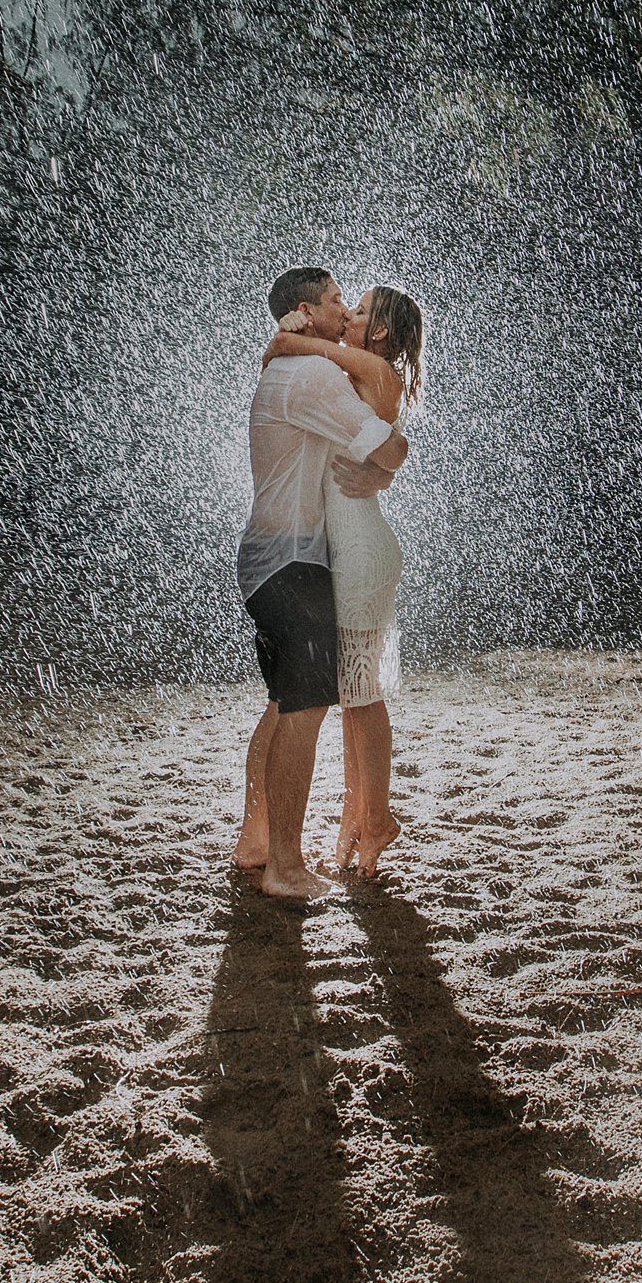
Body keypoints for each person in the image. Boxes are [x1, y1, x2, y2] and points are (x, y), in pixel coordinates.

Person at [233, 267, 409, 898]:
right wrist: (383, 470)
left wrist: (379, 477)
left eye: (353, 305)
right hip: (296, 559)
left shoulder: (294, 366)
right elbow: (387, 446)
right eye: (338, 301)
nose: (345, 310)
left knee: (290, 703)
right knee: (305, 706)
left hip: (288, 555)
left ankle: (261, 841)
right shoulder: (312, 375)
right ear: (307, 312)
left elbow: (383, 443)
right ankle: (285, 863)